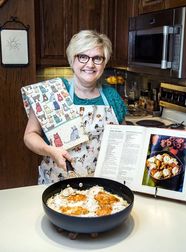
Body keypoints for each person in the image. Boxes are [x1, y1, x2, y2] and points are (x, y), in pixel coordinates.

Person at [23, 30, 127, 184]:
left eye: (97, 58)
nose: (90, 64)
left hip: (101, 185)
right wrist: (49, 150)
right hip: (56, 181)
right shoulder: (52, 91)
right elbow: (29, 135)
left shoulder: (112, 97)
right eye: (83, 57)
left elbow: (122, 139)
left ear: (104, 63)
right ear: (72, 59)